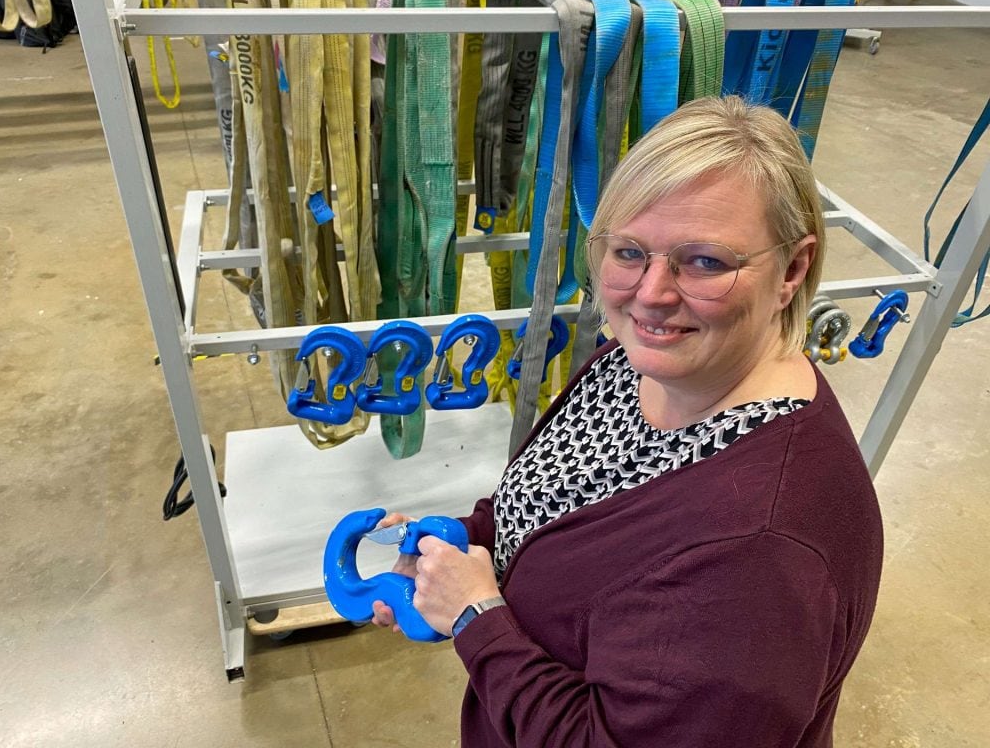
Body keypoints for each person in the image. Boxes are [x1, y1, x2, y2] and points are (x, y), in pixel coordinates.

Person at [372, 95, 883, 747]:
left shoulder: (759, 555)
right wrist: (451, 549)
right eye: (629, 250)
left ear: (792, 269)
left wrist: (477, 619)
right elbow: (552, 499)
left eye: (706, 261)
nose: (651, 294)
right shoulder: (637, 365)